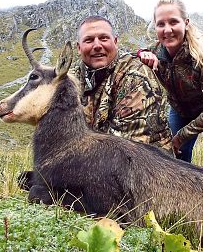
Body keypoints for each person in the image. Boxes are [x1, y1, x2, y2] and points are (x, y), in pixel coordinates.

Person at [137, 0, 203, 184]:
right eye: (161, 24)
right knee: (172, 151)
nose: (167, 29)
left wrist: (181, 136)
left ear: (186, 23)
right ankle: (181, 196)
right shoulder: (157, 51)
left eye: (173, 22)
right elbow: (131, 54)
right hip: (182, 110)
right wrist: (141, 54)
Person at [73, 15, 173, 153]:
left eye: (104, 38)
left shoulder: (136, 76)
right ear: (79, 47)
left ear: (115, 41)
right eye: (89, 40)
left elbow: (123, 151)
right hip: (89, 160)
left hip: (143, 166)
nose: (97, 45)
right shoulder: (69, 80)